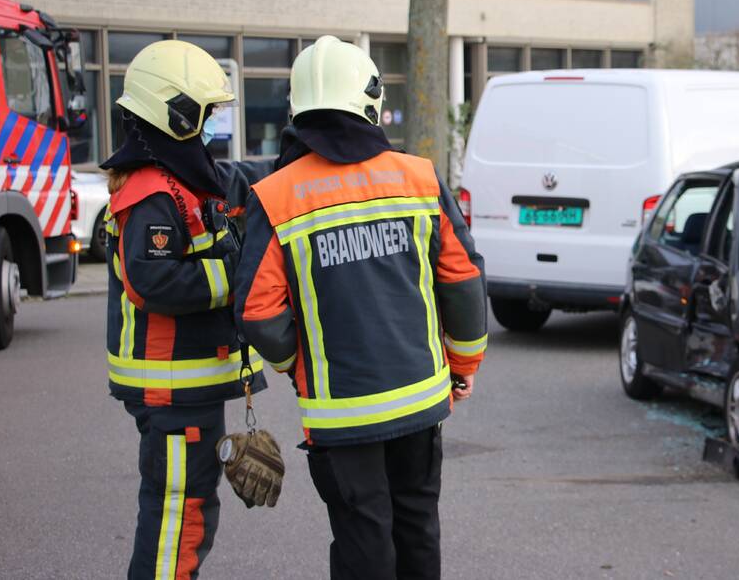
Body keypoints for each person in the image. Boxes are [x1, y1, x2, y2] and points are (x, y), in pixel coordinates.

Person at [234, 35, 487, 580]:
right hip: (421, 399)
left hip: (340, 412)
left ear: (297, 109)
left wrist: (296, 367)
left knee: (361, 538)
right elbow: (463, 280)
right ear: (370, 101)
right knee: (418, 527)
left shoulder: (275, 195)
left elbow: (256, 311)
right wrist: (462, 369)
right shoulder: (418, 177)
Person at [101, 39, 276, 579]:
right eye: (204, 116)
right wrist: (238, 276)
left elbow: (242, 180)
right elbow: (153, 279)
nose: (209, 130)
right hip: (170, 390)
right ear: (173, 114)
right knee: (178, 517)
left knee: (189, 509)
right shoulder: (151, 193)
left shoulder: (186, 178)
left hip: (188, 387)